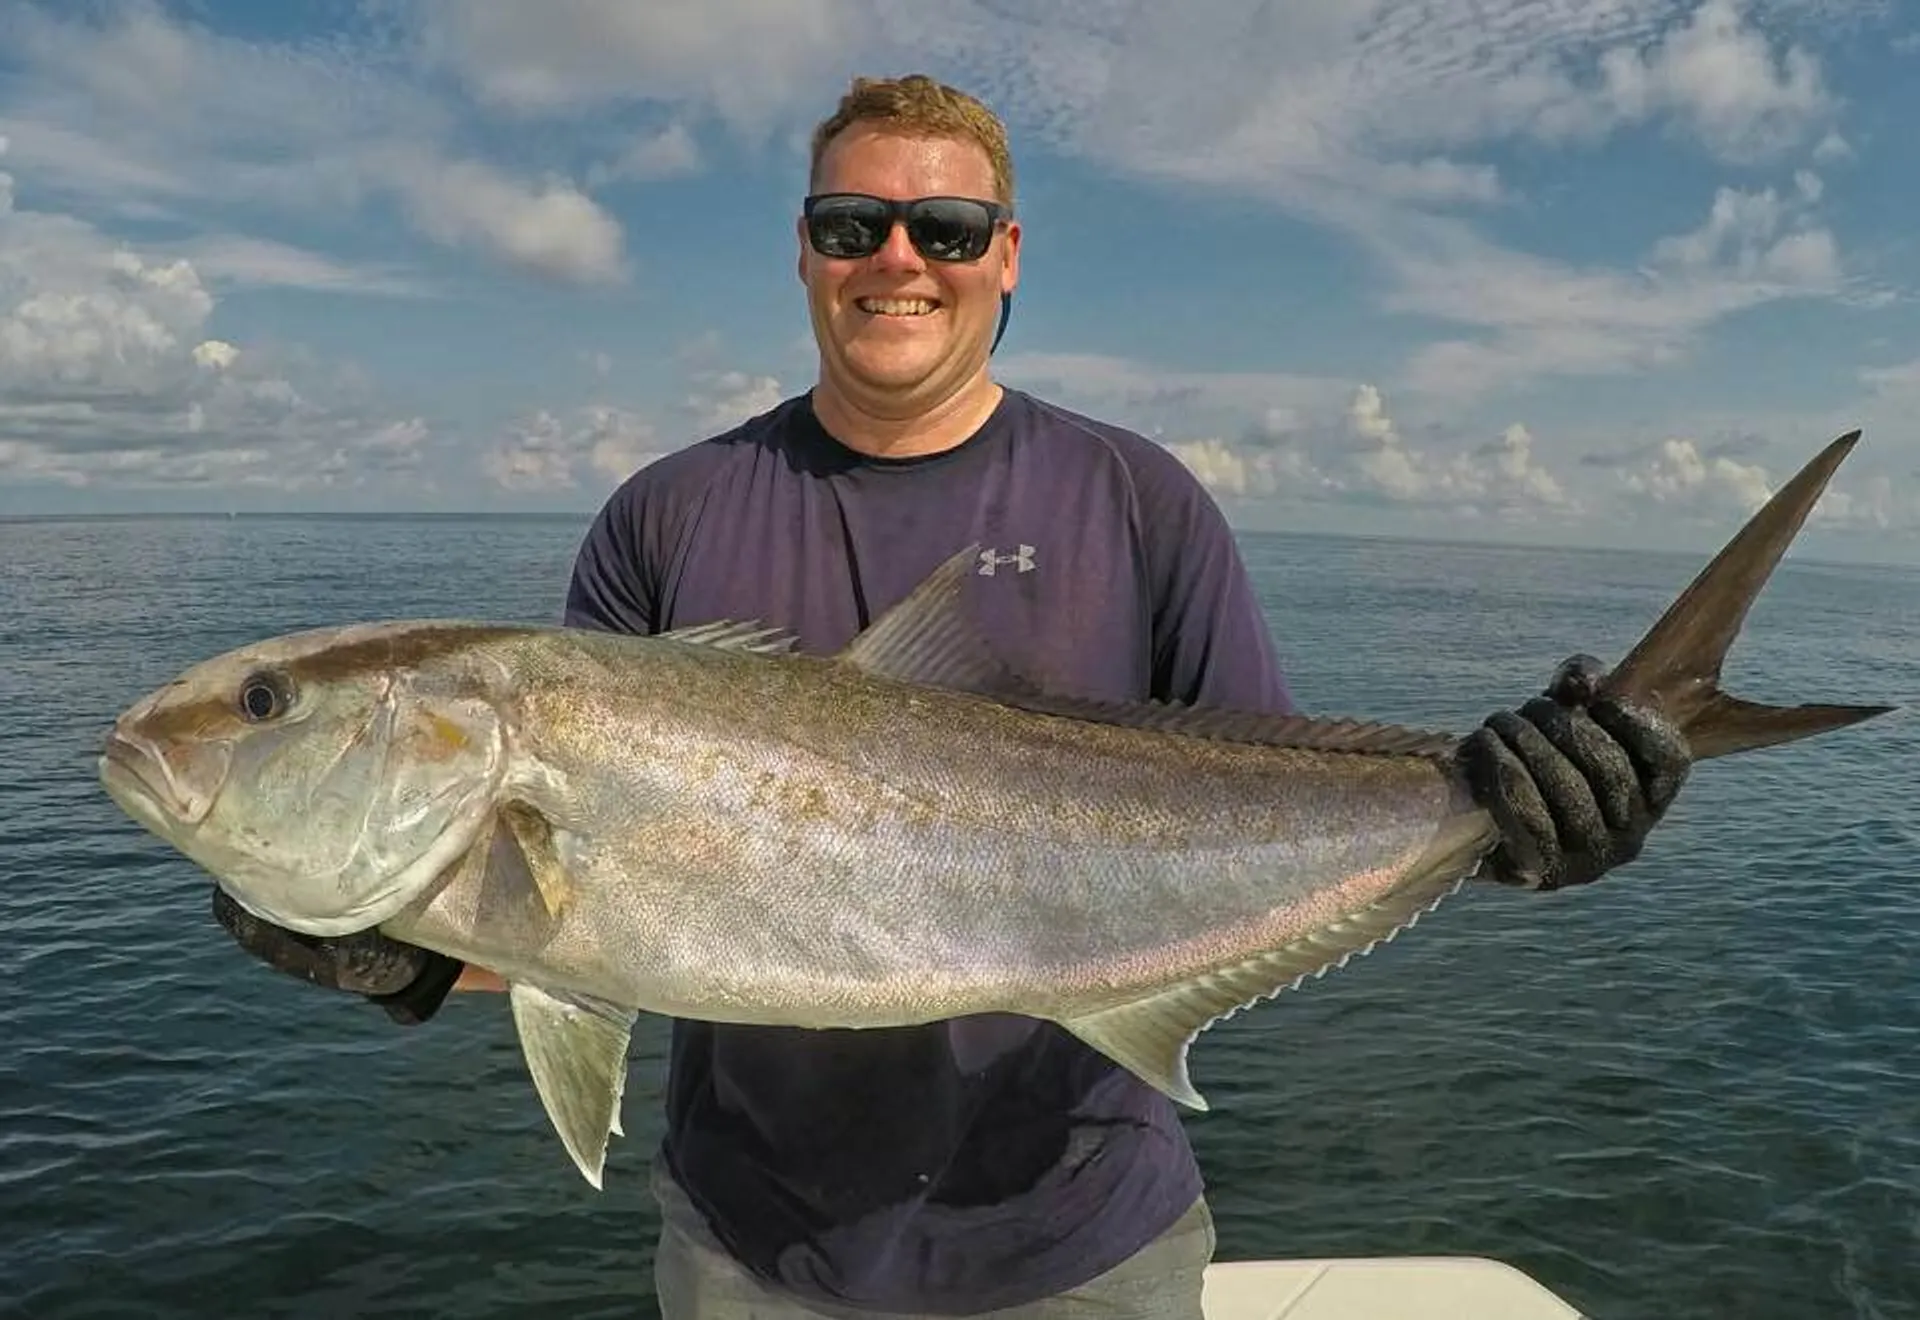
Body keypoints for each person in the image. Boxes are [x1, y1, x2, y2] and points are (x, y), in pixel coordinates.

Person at [217, 74, 1693, 1319]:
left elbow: (1278, 798)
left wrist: (1507, 822)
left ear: (1006, 255)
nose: (898, 258)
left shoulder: (1137, 495)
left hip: (1084, 1240)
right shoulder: (664, 516)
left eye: (947, 225)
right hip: (751, 1251)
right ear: (804, 252)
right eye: (853, 225)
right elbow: (588, 917)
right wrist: (404, 954)